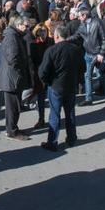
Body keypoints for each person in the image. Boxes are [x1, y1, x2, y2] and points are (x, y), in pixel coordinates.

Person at [38, 23, 84, 151]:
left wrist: (48, 82)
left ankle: (52, 142)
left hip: (56, 86)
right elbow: (82, 68)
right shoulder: (76, 49)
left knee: (55, 114)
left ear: (57, 36)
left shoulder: (52, 50)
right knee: (69, 113)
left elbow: (42, 72)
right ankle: (72, 138)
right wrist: (77, 81)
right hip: (70, 86)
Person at [0, 16, 33, 140]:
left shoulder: (15, 35)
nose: (28, 29)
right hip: (11, 78)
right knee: (13, 107)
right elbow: (12, 58)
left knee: (14, 106)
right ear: (19, 25)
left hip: (13, 77)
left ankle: (12, 128)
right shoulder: (12, 37)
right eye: (26, 26)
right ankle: (12, 131)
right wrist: (21, 68)